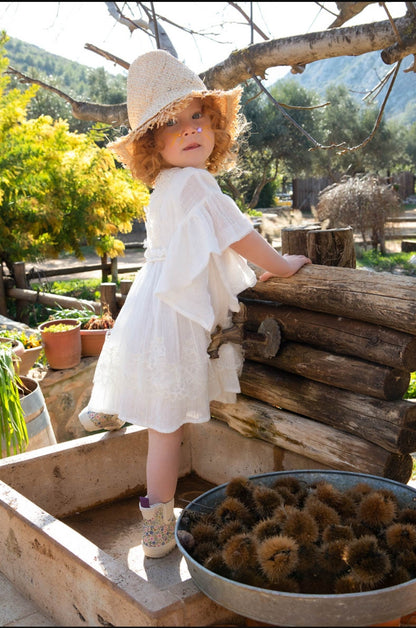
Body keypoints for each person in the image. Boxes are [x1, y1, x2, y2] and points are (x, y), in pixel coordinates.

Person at [78, 49, 311, 559]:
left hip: (151, 311)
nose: (190, 129)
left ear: (215, 126)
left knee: (160, 424)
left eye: (198, 116)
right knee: (166, 429)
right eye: (173, 122)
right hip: (174, 323)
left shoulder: (165, 188)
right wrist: (280, 265)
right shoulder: (197, 184)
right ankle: (158, 532)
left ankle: (151, 510)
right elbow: (239, 235)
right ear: (152, 144)